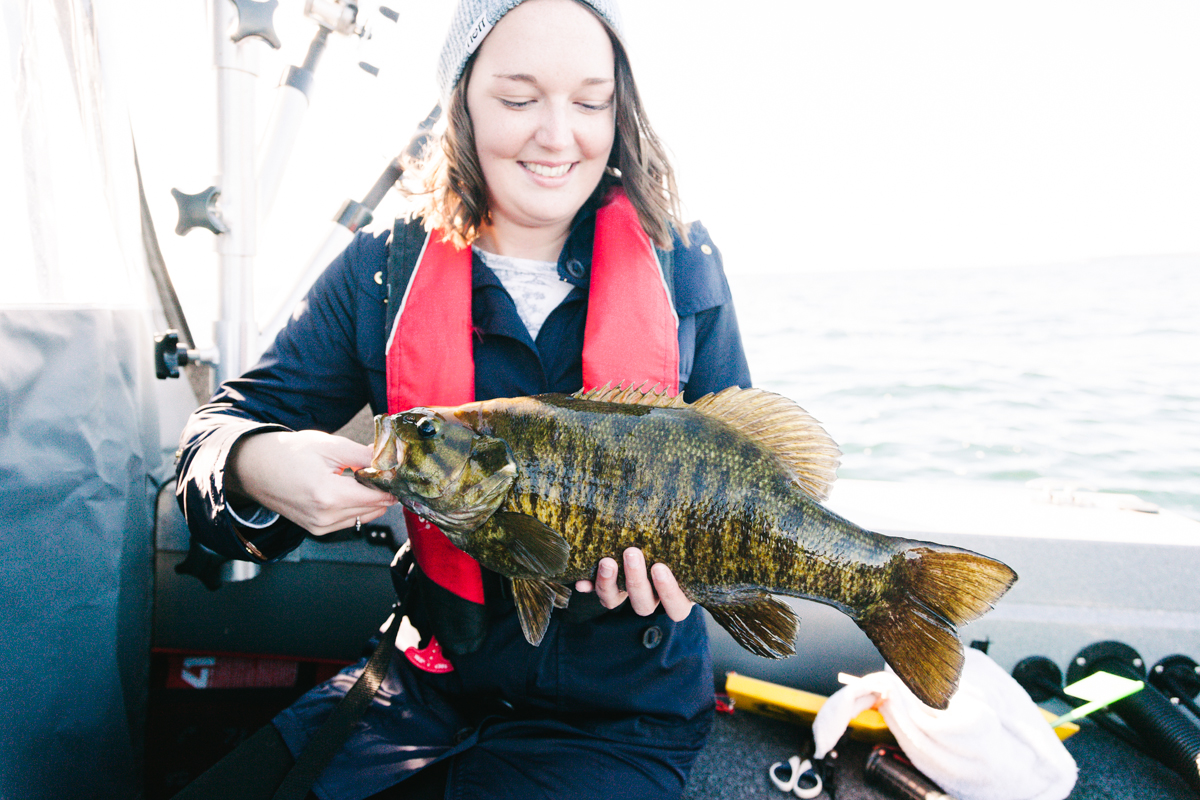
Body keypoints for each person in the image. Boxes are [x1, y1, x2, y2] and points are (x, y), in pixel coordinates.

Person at [175, 0, 751, 797]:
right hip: (420, 682)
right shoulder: (382, 267)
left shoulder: (684, 262)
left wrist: (707, 575)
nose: (558, 134)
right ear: (462, 100)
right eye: (519, 99)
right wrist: (254, 463)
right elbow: (212, 437)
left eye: (590, 101)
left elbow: (746, 473)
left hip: (621, 716)